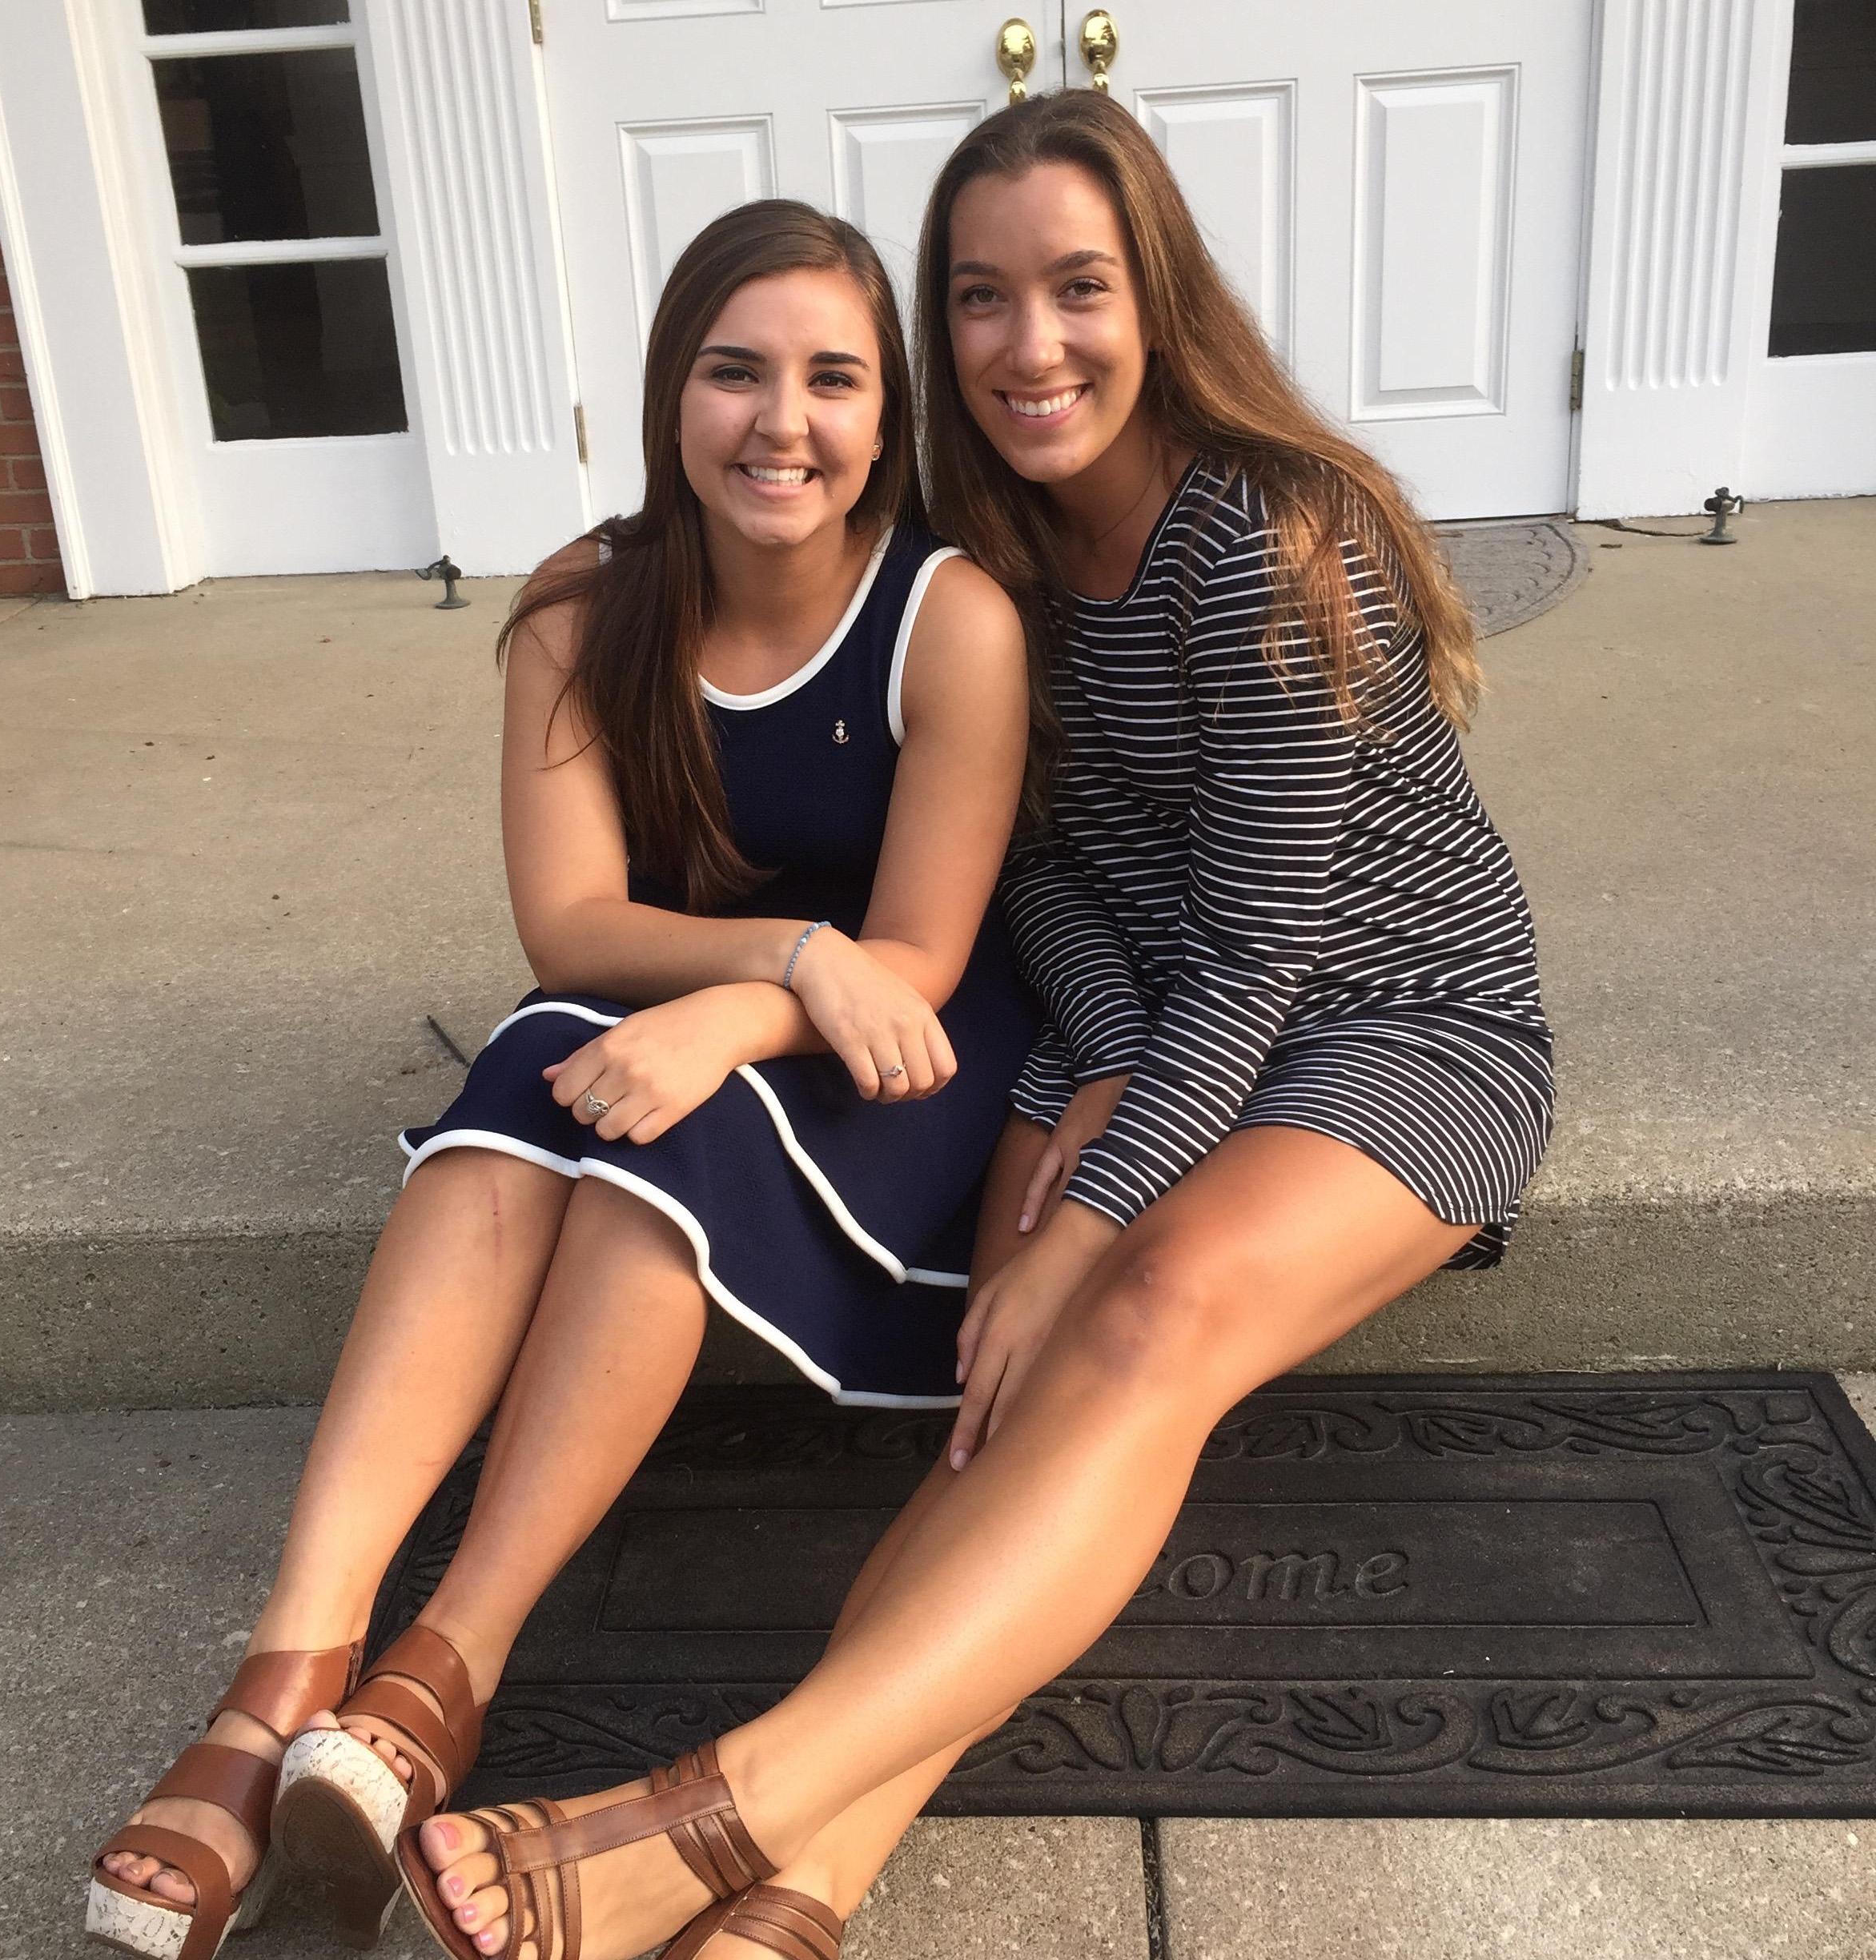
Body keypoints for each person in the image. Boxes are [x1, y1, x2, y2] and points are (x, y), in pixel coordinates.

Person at [404, 91, 1554, 1960]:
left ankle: (711, 1816)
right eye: (982, 297)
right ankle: (807, 1896)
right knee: (998, 1407)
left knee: (1137, 1313)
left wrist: (1092, 1207)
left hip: (1400, 1027)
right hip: (1160, 1026)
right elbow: (1053, 884)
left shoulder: (1271, 540)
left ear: (1156, 296)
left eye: (1079, 287)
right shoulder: (991, 563)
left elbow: (1260, 958)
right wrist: (1097, 1067)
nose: (1033, 346)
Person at [83, 199, 1032, 1960]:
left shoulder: (947, 618)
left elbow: (911, 959)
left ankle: (448, 1664)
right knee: (535, 1072)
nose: (783, 422)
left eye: (833, 380)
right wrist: (771, 958)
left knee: (669, 1132)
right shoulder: (585, 605)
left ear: (888, 416)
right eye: (735, 372)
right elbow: (576, 923)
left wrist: (763, 1007)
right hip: (690, 993)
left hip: (893, 1053)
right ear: (670, 392)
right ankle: (286, 1674)